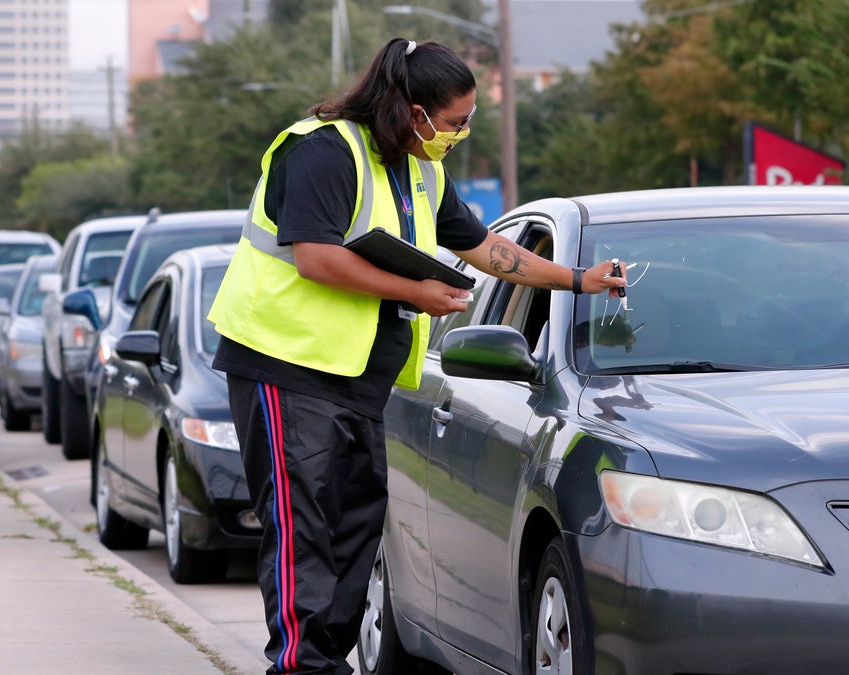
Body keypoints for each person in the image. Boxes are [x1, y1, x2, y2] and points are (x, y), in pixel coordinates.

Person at [207, 38, 626, 675]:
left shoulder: (418, 167)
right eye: (454, 121)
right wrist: (418, 293)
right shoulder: (320, 149)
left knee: (354, 524)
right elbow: (315, 257)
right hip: (283, 364)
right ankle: (299, 665)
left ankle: (324, 659)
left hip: (360, 377)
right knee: (303, 524)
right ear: (412, 109)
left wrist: (576, 279)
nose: (458, 134)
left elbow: (487, 248)